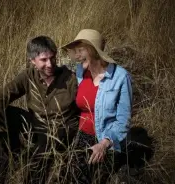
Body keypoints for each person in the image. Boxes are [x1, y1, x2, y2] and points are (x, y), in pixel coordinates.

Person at [0, 36, 79, 184]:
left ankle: (33, 170)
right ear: (32, 61)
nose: (50, 64)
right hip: (36, 126)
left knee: (35, 170)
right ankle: (16, 157)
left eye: (52, 58)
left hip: (60, 131)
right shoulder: (28, 76)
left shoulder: (70, 79)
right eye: (43, 60)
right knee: (3, 114)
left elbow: (84, 108)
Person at [62, 29, 152, 183]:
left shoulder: (120, 77)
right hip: (80, 136)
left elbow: (123, 120)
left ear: (94, 51)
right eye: (75, 51)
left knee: (92, 177)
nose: (76, 56)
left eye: (80, 50)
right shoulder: (80, 72)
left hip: (106, 139)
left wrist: (104, 144)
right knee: (69, 174)